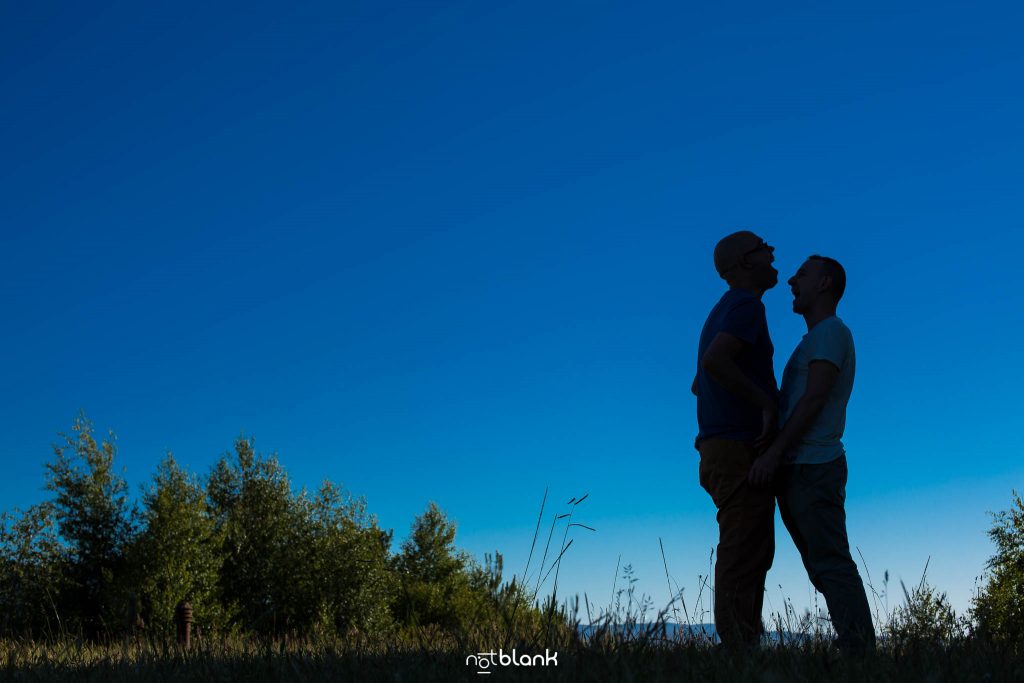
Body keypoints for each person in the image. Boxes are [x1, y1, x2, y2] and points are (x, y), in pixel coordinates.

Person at [748, 255, 876, 653]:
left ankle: (860, 654)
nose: (790, 280)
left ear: (824, 283)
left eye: (801, 274)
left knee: (831, 563)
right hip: (801, 469)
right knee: (822, 565)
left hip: (813, 467)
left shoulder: (831, 332)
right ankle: (855, 649)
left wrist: (774, 455)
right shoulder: (817, 338)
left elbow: (815, 398)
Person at [693, 230, 780, 649]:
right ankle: (739, 650)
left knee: (747, 543)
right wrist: (765, 405)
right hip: (735, 447)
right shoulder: (746, 305)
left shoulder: (721, 311)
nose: (773, 251)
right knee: (745, 548)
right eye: (764, 246)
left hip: (718, 448)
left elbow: (698, 383)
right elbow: (713, 364)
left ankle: (742, 644)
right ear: (747, 262)